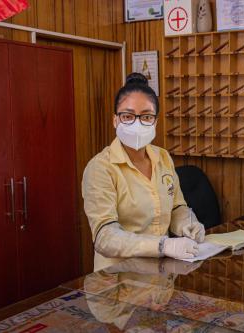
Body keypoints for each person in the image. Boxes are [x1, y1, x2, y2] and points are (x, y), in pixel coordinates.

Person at [82, 72, 205, 271]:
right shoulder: (100, 168)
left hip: (161, 274)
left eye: (146, 116)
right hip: (118, 280)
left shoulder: (163, 157)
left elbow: (177, 206)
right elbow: (105, 237)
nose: (137, 123)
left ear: (155, 121)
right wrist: (163, 245)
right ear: (115, 120)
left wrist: (187, 224)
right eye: (128, 116)